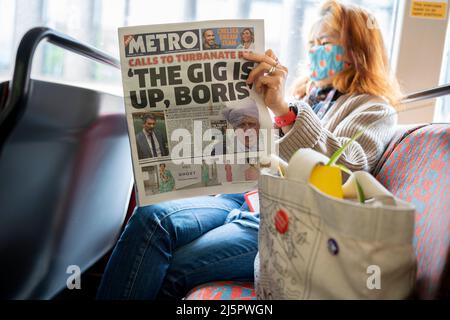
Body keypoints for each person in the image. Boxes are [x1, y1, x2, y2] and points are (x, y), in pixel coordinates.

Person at [97, 0, 400, 300]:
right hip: (240, 195)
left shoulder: (374, 109)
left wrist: (285, 111)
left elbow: (347, 167)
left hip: (282, 222)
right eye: (312, 43)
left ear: (356, 51)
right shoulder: (303, 93)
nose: (314, 50)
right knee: (151, 216)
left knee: (173, 265)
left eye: (326, 42)